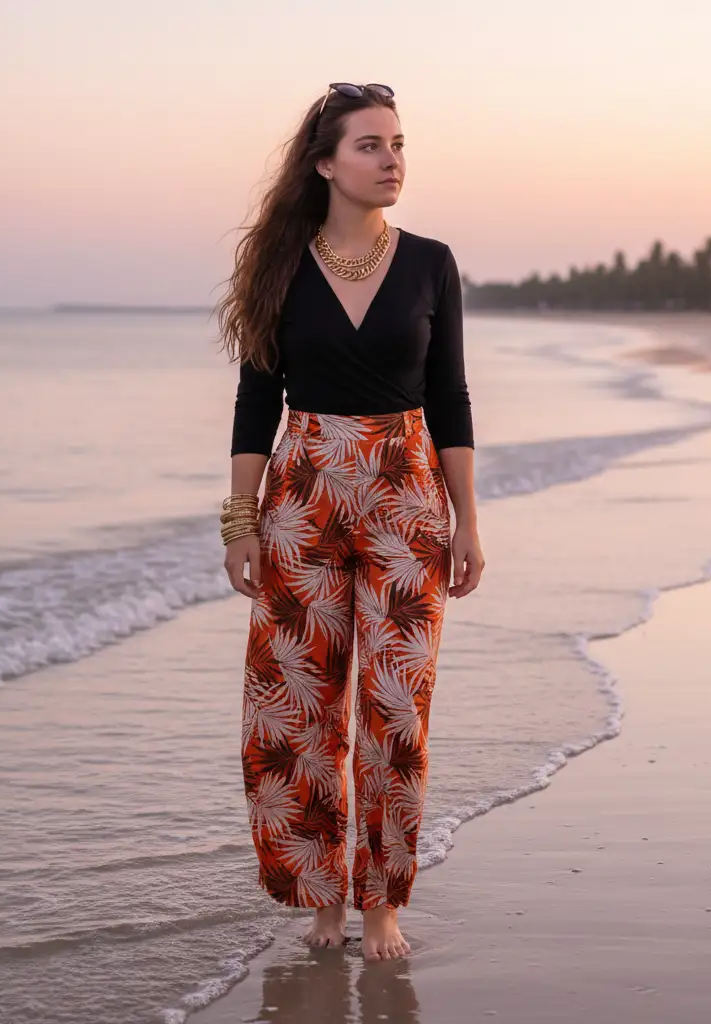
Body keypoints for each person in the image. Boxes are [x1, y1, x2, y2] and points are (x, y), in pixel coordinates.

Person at [216, 82, 485, 962]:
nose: (392, 159)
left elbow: (449, 394)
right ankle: (320, 899)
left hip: (407, 498)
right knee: (296, 711)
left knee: (395, 714)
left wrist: (468, 520)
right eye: (370, 146)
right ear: (325, 163)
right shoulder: (281, 266)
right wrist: (240, 522)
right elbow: (258, 396)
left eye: (399, 144)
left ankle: (382, 905)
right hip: (301, 498)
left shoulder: (431, 261)